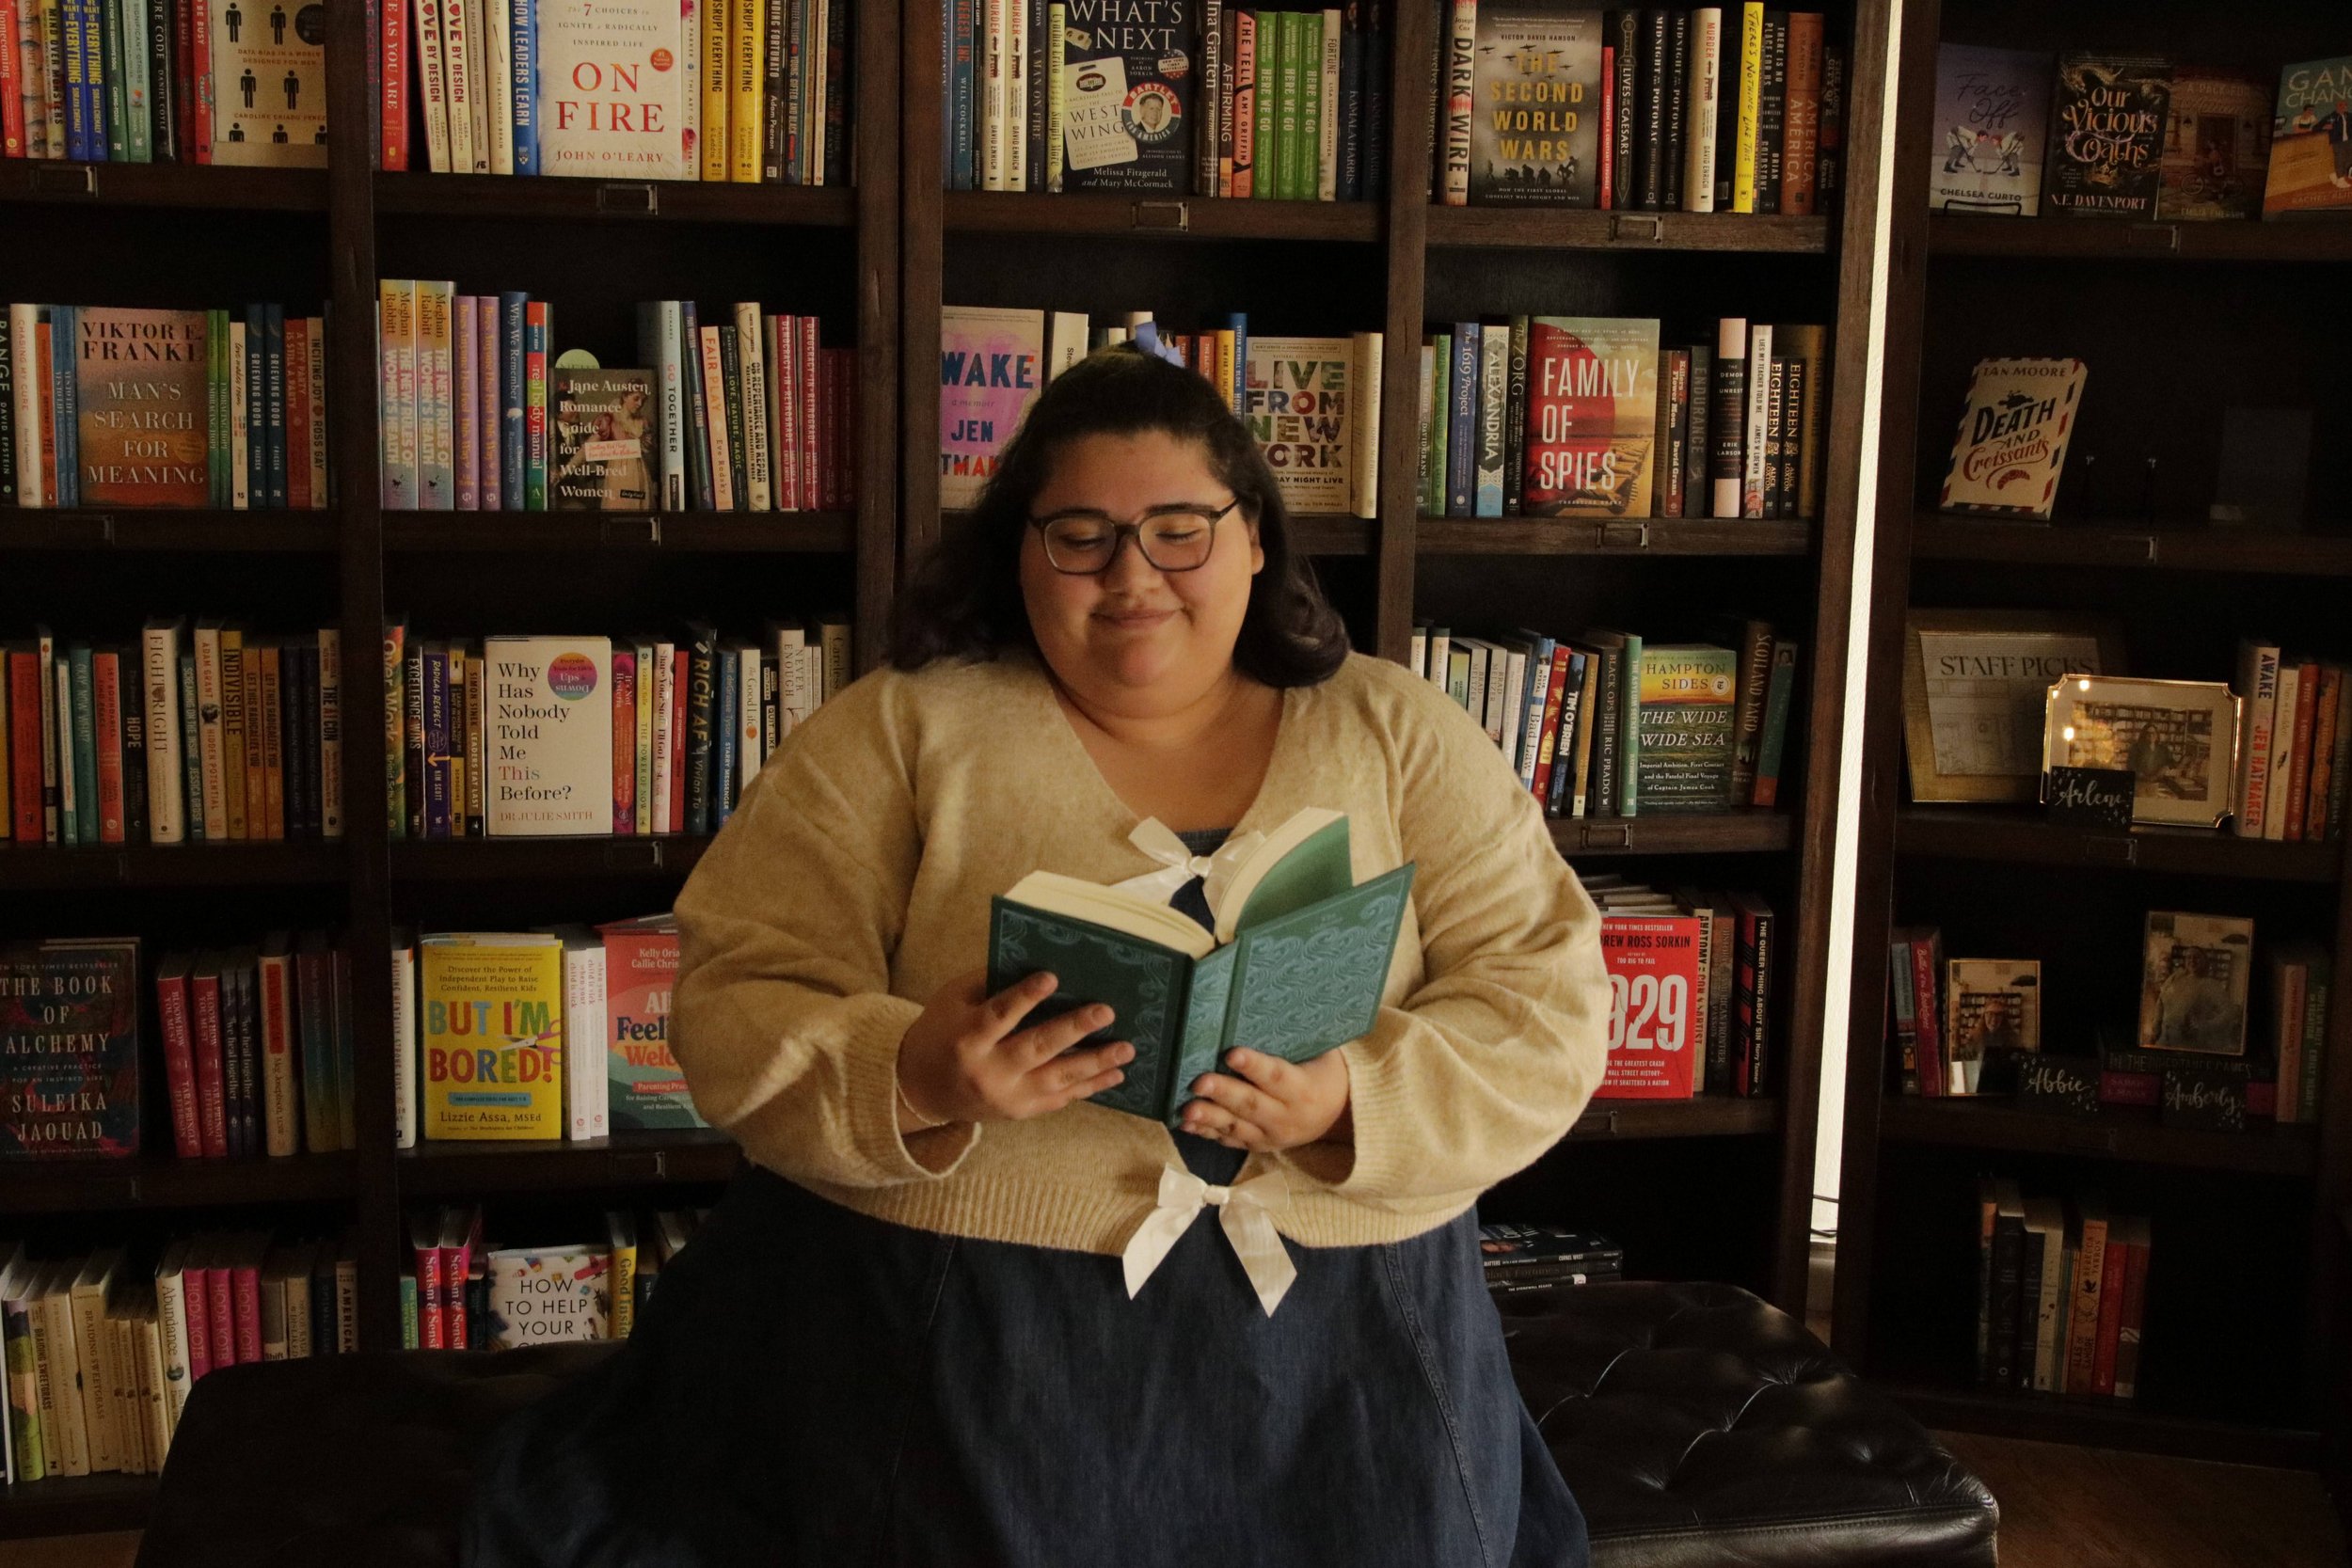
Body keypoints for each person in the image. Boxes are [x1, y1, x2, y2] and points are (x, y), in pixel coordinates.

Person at [463, 347, 1609, 1567]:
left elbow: (1550, 1007)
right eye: (1081, 536)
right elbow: (733, 997)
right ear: (1020, 553)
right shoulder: (901, 729)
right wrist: (916, 1074)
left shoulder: (1398, 730)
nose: (1132, 575)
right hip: (973, 1331)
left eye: (1179, 531)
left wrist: (1350, 1102)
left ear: (1255, 539)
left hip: (1353, 1353)